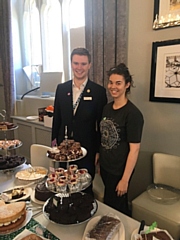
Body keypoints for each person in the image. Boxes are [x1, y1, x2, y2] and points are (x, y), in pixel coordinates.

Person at [52, 47, 107, 195]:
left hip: (87, 149)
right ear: (71, 64)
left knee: (84, 186)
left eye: (83, 64)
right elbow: (57, 118)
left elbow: (101, 126)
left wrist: (98, 151)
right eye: (76, 63)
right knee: (64, 184)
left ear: (89, 65)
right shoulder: (61, 89)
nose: (79, 68)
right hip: (64, 148)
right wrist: (54, 144)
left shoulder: (98, 92)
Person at [98, 63, 144, 216]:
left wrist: (125, 179)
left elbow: (134, 149)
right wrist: (99, 157)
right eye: (111, 82)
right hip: (105, 167)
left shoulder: (133, 114)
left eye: (118, 83)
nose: (113, 86)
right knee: (109, 205)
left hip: (120, 171)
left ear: (127, 85)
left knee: (117, 209)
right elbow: (103, 136)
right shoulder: (106, 108)